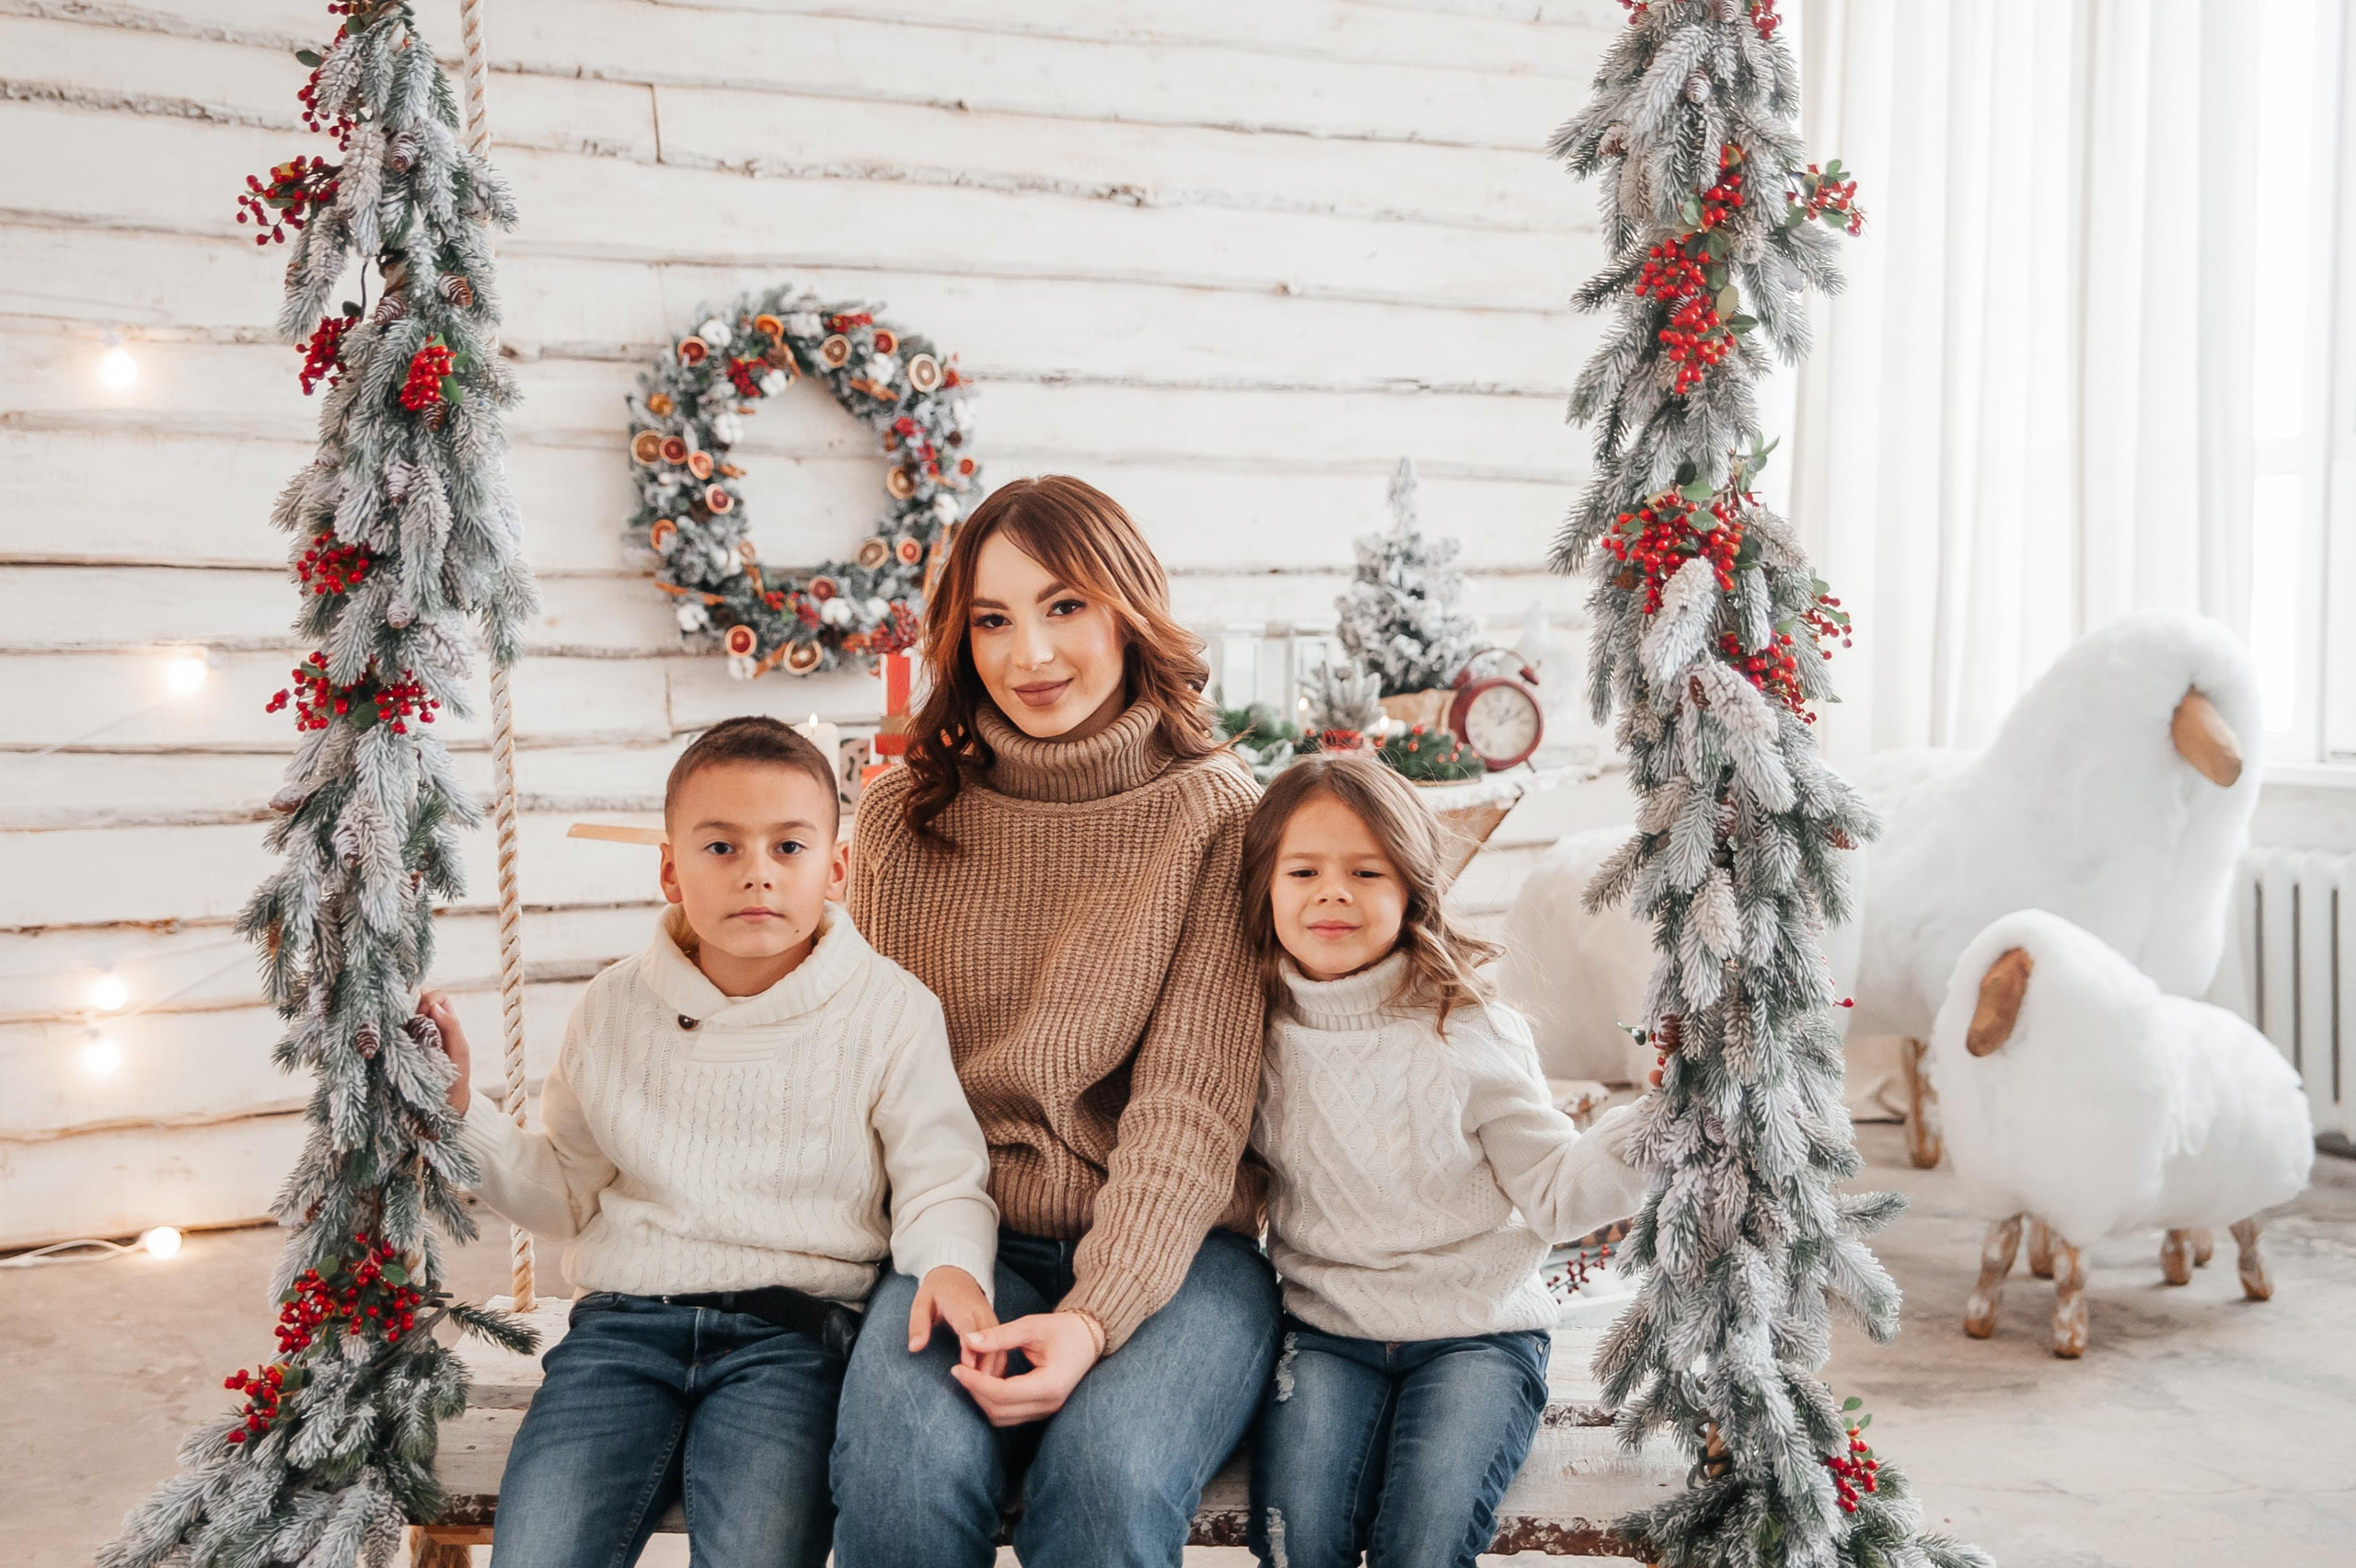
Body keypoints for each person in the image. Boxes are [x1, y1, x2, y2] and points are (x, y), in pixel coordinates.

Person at [419, 717, 999, 1568]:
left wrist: (949, 1264)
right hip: (621, 1334)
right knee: (539, 1551)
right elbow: (564, 1190)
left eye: (789, 847)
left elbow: (939, 1176)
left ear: (835, 869)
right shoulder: (613, 1007)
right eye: (721, 848)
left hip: (791, 1338)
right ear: (670, 868)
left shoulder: (889, 1010)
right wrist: (459, 1110)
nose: (757, 873)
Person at [831, 475, 1276, 1568]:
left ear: (1128, 606)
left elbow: (1189, 1111)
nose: (1028, 653)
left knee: (1106, 1481)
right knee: (901, 1474)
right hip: (958, 1238)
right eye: (991, 619)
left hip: (1180, 1255)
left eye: (1064, 605)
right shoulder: (902, 816)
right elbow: (870, 1080)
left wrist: (1094, 1318)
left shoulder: (1217, 812)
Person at [1238, 754, 1648, 1568]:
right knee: (1298, 1537)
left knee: (1422, 1543)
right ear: (1264, 887)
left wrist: (1659, 1126)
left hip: (1479, 1335)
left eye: (1366, 870)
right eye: (1304, 870)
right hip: (1326, 1331)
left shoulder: (1470, 1032)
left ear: (1414, 890)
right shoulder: (1243, 1031)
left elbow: (1557, 1198)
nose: (1333, 892)